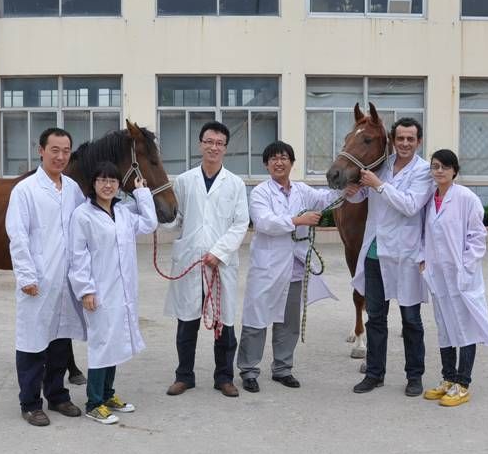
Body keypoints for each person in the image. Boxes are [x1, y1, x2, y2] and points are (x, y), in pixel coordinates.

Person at [236, 141, 349, 392]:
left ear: (291, 163)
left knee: (288, 322)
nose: (279, 162)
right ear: (266, 164)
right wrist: (298, 220)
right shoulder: (260, 192)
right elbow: (264, 222)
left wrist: (347, 187)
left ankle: (282, 368)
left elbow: (325, 199)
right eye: (274, 158)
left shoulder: (301, 190)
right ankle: (249, 370)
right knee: (256, 320)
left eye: (284, 158)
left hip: (295, 267)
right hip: (268, 267)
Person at [347, 117, 435, 397]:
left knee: (410, 318)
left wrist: (378, 185)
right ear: (392, 141)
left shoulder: (423, 172)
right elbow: (363, 199)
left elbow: (410, 206)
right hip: (376, 251)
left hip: (406, 253)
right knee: (376, 318)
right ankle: (374, 374)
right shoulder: (381, 166)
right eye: (400, 139)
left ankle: (414, 376)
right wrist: (353, 192)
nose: (405, 144)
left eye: (411, 139)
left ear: (418, 141)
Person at [5, 127, 87, 426]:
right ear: (41, 150)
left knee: (60, 342)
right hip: (37, 281)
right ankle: (29, 403)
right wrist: (26, 276)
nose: (61, 156)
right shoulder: (25, 191)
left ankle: (58, 396)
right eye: (55, 150)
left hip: (66, 281)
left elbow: (82, 229)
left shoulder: (73, 189)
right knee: (32, 343)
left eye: (66, 151)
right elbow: (18, 235)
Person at [164, 121, 250, 398]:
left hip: (220, 264)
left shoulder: (235, 184)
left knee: (223, 323)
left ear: (225, 148)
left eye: (219, 143)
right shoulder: (184, 181)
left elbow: (241, 224)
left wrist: (219, 252)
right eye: (209, 141)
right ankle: (184, 376)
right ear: (200, 144)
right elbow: (175, 219)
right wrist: (149, 209)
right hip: (190, 261)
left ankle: (224, 377)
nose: (213, 147)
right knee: (186, 322)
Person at [68, 161, 157, 424]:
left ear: (119, 185)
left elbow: (150, 223)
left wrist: (142, 194)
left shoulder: (124, 212)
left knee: (115, 342)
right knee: (101, 345)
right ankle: (94, 402)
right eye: (102, 180)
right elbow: (77, 255)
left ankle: (108, 395)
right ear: (93, 184)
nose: (107, 185)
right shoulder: (82, 215)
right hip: (99, 291)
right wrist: (86, 290)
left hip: (124, 291)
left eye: (113, 181)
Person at [419, 149, 488, 407]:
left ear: (454, 170)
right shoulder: (430, 200)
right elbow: (426, 236)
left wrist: (465, 267)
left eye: (444, 166)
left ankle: (463, 384)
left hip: (462, 277)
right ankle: (448, 378)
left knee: (465, 329)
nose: (439, 171)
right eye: (435, 166)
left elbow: (477, 237)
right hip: (438, 276)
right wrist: (425, 263)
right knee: (445, 328)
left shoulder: (466, 198)